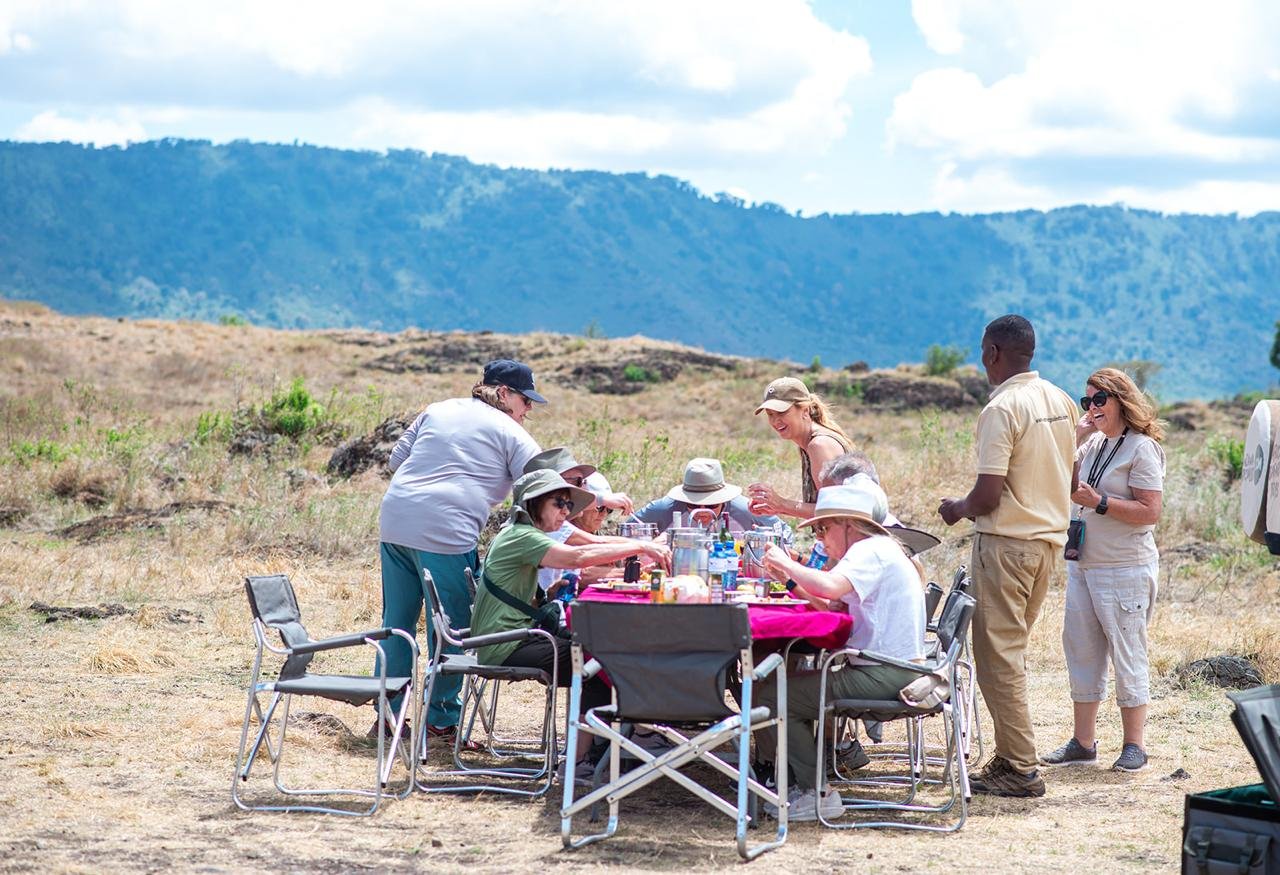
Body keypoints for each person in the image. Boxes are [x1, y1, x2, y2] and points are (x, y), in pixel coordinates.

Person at [937, 315, 1077, 798]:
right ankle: (1011, 756)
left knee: (998, 659)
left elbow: (988, 495)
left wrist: (956, 509)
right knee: (1010, 652)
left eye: (982, 352)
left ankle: (1018, 767)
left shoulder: (1002, 408)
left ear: (993, 352)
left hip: (1006, 544)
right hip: (1047, 545)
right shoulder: (1060, 401)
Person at [374, 359, 544, 744]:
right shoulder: (511, 431)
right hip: (446, 532)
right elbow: (543, 486)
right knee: (452, 629)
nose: (529, 409)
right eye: (525, 399)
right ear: (503, 394)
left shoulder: (438, 408)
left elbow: (395, 461)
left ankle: (388, 717)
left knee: (397, 622)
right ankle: (441, 722)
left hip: (397, 521)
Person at [468, 469, 672, 784]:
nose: (566, 511)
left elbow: (583, 553)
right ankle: (584, 759)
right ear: (535, 504)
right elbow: (579, 557)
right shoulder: (523, 536)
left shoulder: (520, 533)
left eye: (568, 504)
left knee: (601, 651)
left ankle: (609, 743)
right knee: (596, 661)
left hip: (509, 637)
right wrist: (642, 548)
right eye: (559, 503)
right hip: (505, 645)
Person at [753, 479, 927, 822]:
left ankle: (814, 792)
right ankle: (802, 783)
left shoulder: (870, 550)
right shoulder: (876, 549)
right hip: (890, 667)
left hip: (885, 672)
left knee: (772, 696)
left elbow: (830, 587)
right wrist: (790, 580)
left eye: (822, 528)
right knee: (777, 690)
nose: (819, 537)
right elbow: (831, 608)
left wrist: (787, 564)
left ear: (848, 525)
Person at [1040, 367, 1165, 773]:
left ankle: (1134, 745)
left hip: (1124, 567)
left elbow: (1150, 512)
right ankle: (1083, 741)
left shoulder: (1142, 448)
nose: (1092, 409)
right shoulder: (1093, 444)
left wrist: (1102, 503)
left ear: (1120, 400)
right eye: (1086, 401)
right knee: (1082, 650)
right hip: (1084, 565)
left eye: (1099, 400)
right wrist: (1075, 439)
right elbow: (1066, 484)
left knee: (1129, 653)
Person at [747, 377, 853, 521]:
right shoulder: (809, 443)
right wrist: (776, 507)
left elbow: (836, 511)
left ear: (805, 410)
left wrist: (782, 504)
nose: (775, 421)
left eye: (782, 413)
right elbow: (826, 509)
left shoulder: (819, 445)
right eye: (770, 414)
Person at [629, 457, 787, 536]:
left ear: (724, 500)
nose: (703, 511)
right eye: (694, 504)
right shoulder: (664, 508)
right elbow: (628, 531)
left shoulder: (746, 509)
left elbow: (784, 534)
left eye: (712, 505)